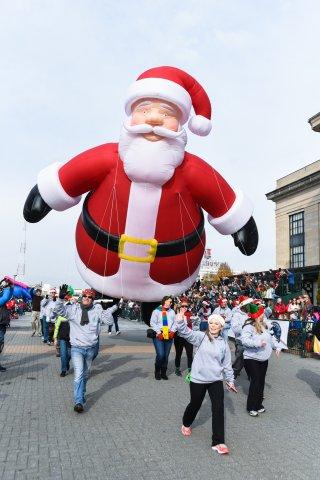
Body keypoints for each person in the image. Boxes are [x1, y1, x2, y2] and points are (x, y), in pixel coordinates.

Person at [176, 312, 236, 455]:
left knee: (218, 408)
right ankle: (186, 422)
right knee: (195, 404)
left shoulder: (223, 343)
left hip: (215, 379)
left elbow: (227, 364)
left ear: (221, 327)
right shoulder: (201, 337)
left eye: (216, 324)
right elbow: (186, 333)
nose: (213, 326)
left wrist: (230, 380)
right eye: (211, 323)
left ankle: (218, 441)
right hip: (198, 379)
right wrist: (180, 322)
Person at [54, 285, 110, 413]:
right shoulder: (74, 309)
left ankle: (82, 393)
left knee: (85, 374)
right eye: (85, 296)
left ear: (93, 299)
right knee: (78, 374)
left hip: (90, 348)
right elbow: (60, 311)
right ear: (81, 297)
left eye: (90, 297)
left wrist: (106, 309)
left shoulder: (96, 310)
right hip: (77, 349)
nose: (87, 298)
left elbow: (109, 321)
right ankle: (78, 401)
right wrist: (60, 299)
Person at [241, 303, 280, 417]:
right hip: (251, 358)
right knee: (256, 380)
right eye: (262, 313)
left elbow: (269, 339)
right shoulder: (249, 326)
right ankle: (251, 406)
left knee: (261, 380)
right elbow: (244, 341)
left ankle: (258, 404)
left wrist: (276, 347)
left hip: (263, 357)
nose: (264, 314)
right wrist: (258, 343)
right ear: (258, 315)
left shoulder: (263, 325)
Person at [150, 296, 176, 380]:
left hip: (169, 334)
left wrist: (172, 331)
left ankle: (163, 372)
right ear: (164, 301)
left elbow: (175, 323)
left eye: (171, 302)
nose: (171, 303)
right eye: (169, 301)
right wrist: (158, 332)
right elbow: (152, 323)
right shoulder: (156, 311)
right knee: (161, 354)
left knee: (166, 355)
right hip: (159, 334)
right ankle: (157, 371)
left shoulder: (172, 312)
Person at [230, 296, 252, 379]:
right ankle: (232, 377)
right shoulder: (237, 315)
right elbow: (235, 329)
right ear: (243, 305)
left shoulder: (250, 314)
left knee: (249, 360)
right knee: (239, 360)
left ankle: (251, 377)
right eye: (248, 304)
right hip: (240, 341)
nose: (250, 306)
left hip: (250, 341)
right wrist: (247, 327)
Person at [174, 298, 193, 376]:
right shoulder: (176, 315)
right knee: (178, 354)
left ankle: (190, 371)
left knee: (189, 354)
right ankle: (177, 369)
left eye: (186, 306)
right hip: (179, 337)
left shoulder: (190, 314)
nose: (185, 308)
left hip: (188, 336)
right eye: (183, 306)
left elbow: (195, 326)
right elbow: (175, 326)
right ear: (180, 307)